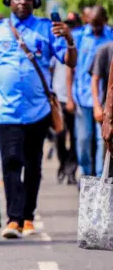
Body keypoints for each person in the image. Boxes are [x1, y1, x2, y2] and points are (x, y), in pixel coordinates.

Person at [0, 0, 76, 239]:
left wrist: (69, 40)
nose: (22, 2)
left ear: (34, 2)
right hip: (5, 111)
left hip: (37, 111)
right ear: (8, 1)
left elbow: (69, 61)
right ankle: (14, 220)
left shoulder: (47, 29)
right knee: (11, 163)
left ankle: (28, 216)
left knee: (33, 165)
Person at [66, 6, 112, 178]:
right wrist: (69, 97)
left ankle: (101, 180)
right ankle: (86, 176)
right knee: (84, 140)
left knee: (103, 142)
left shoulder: (111, 35)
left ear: (105, 21)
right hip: (84, 98)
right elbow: (70, 69)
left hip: (105, 100)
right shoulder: (78, 36)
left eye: (99, 24)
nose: (96, 28)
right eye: (93, 24)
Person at [53, 12, 82, 185]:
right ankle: (63, 163)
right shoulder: (57, 43)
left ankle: (71, 169)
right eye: (68, 24)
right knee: (60, 135)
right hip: (58, 96)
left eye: (73, 24)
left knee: (76, 136)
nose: (70, 27)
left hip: (76, 97)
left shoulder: (79, 43)